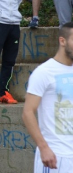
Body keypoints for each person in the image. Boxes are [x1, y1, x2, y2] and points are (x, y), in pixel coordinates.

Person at [22, 22, 73, 173]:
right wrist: (43, 148)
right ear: (62, 41)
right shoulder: (44, 72)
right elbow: (27, 112)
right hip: (55, 157)